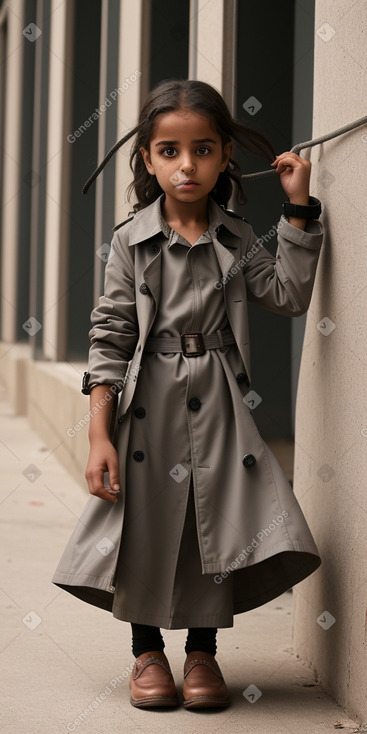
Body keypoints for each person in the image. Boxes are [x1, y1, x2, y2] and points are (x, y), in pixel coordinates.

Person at [53, 78, 323, 710]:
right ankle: (146, 652)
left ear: (226, 156)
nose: (186, 165)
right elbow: (112, 332)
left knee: (215, 523)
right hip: (146, 404)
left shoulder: (235, 236)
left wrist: (299, 208)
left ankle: (203, 652)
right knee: (143, 523)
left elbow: (287, 293)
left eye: (202, 150)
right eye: (169, 151)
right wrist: (99, 432)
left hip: (222, 404)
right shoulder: (130, 241)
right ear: (147, 159)